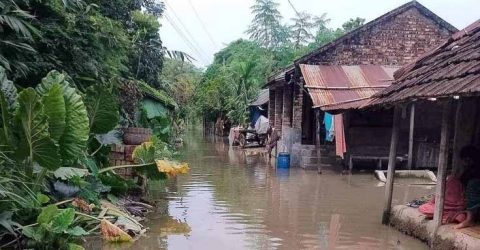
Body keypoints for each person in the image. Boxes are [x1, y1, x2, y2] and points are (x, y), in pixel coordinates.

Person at [418, 145, 480, 226]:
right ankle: (452, 211)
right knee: (451, 179)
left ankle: (468, 219)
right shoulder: (464, 172)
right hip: (455, 201)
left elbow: (466, 192)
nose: (467, 163)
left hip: (462, 202)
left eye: (469, 160)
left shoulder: (475, 174)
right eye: (465, 160)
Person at [453, 145, 480, 229]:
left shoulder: (476, 170)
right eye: (464, 160)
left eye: (467, 159)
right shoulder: (468, 170)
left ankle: (469, 220)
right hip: (469, 201)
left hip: (474, 197)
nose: (465, 162)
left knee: (472, 184)